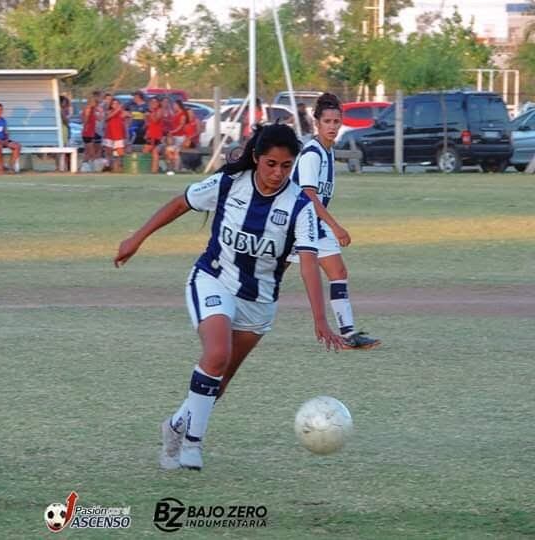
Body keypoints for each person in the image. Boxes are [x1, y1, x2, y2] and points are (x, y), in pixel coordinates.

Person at [114, 124, 343, 471]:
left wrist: (320, 319)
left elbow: (309, 264)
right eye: (270, 164)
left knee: (217, 384)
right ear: (256, 158)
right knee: (216, 353)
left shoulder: (299, 206)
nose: (277, 173)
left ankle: (176, 424)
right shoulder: (228, 183)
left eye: (285, 166)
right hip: (213, 279)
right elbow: (180, 203)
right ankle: (192, 443)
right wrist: (137, 238)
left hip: (259, 301)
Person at [290, 93, 381, 350]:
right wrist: (335, 225)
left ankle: (349, 334)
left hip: (313, 224)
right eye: (327, 121)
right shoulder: (312, 154)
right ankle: (233, 323)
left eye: (336, 121)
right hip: (294, 225)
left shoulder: (327, 152)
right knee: (267, 279)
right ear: (316, 122)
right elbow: (308, 195)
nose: (332, 126)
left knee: (338, 272)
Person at [0, 103, 21, 174]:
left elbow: (6, 132)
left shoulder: (3, 120)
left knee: (17, 146)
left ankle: (10, 166)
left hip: (3, 140)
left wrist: (6, 139)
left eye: (0, 110)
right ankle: (1, 167)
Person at [103, 98, 126, 172]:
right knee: (108, 152)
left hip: (119, 135)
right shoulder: (109, 112)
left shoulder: (122, 112)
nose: (115, 105)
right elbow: (108, 117)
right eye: (113, 104)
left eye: (117, 103)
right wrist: (118, 109)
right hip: (109, 134)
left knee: (119, 153)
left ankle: (119, 167)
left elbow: (128, 117)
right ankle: (109, 166)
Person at [165, 100, 188, 173]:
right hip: (173, 136)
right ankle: (171, 167)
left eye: (175, 105)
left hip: (180, 136)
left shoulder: (183, 114)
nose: (174, 107)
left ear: (178, 105)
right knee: (169, 151)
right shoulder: (175, 114)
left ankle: (176, 168)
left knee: (176, 152)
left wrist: (172, 131)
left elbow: (181, 126)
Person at [143, 97, 164, 174]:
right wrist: (146, 117)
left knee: (155, 152)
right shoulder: (151, 111)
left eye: (155, 102)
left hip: (157, 136)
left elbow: (155, 120)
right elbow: (147, 124)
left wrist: (150, 114)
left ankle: (154, 170)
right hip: (150, 135)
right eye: (152, 102)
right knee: (145, 151)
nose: (153, 103)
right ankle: (148, 168)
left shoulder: (160, 111)